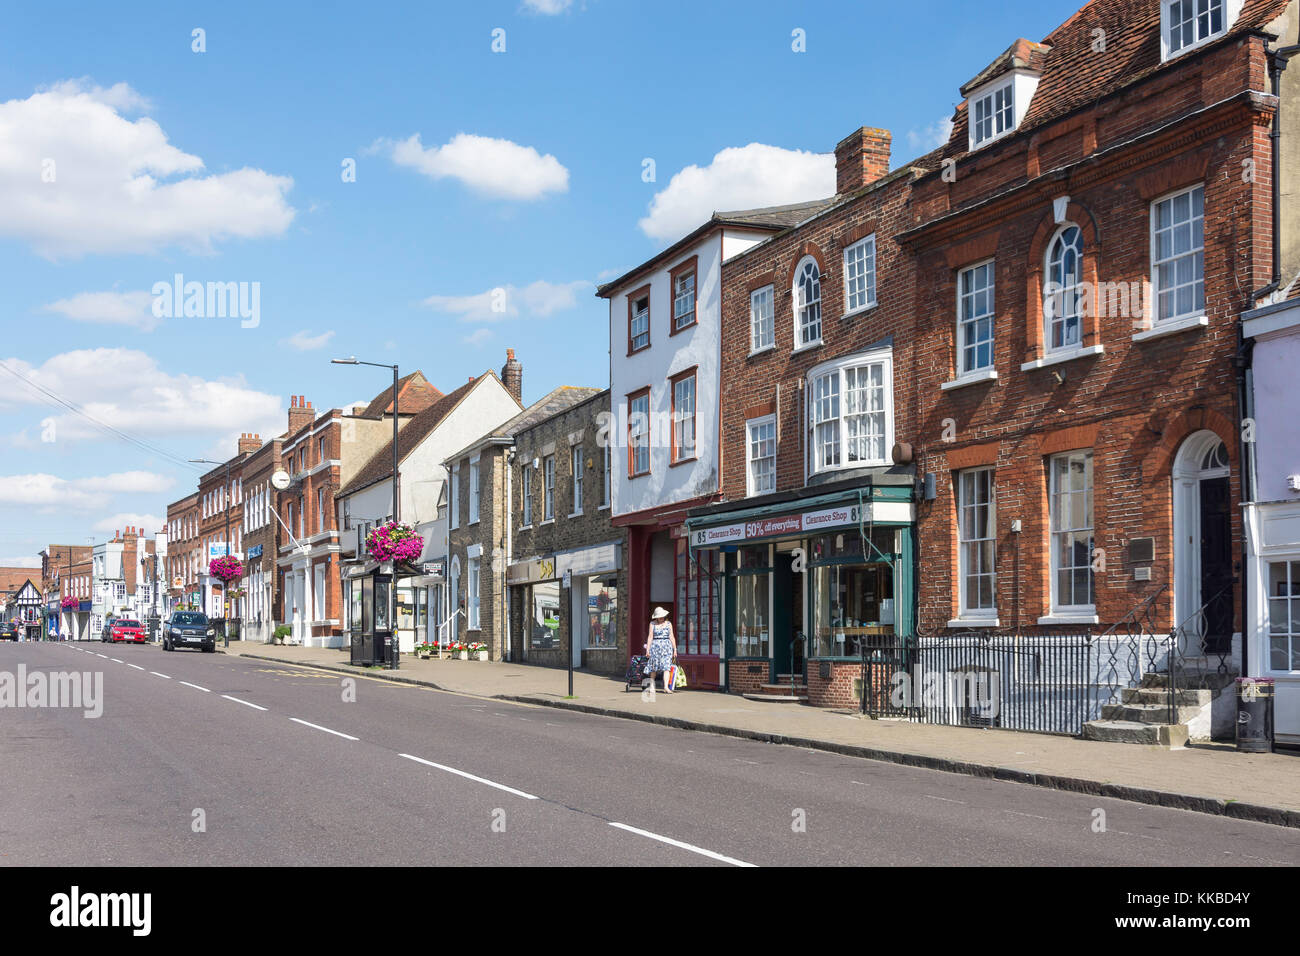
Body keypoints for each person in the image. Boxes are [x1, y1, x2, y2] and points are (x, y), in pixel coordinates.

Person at [644, 607, 677, 694]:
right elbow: (650, 637)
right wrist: (647, 650)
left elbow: (672, 637)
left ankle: (666, 687)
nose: (661, 618)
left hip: (667, 647)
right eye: (659, 616)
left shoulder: (669, 624)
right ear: (656, 617)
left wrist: (675, 649)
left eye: (662, 616)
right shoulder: (652, 624)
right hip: (655, 647)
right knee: (653, 668)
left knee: (667, 667)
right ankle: (651, 686)